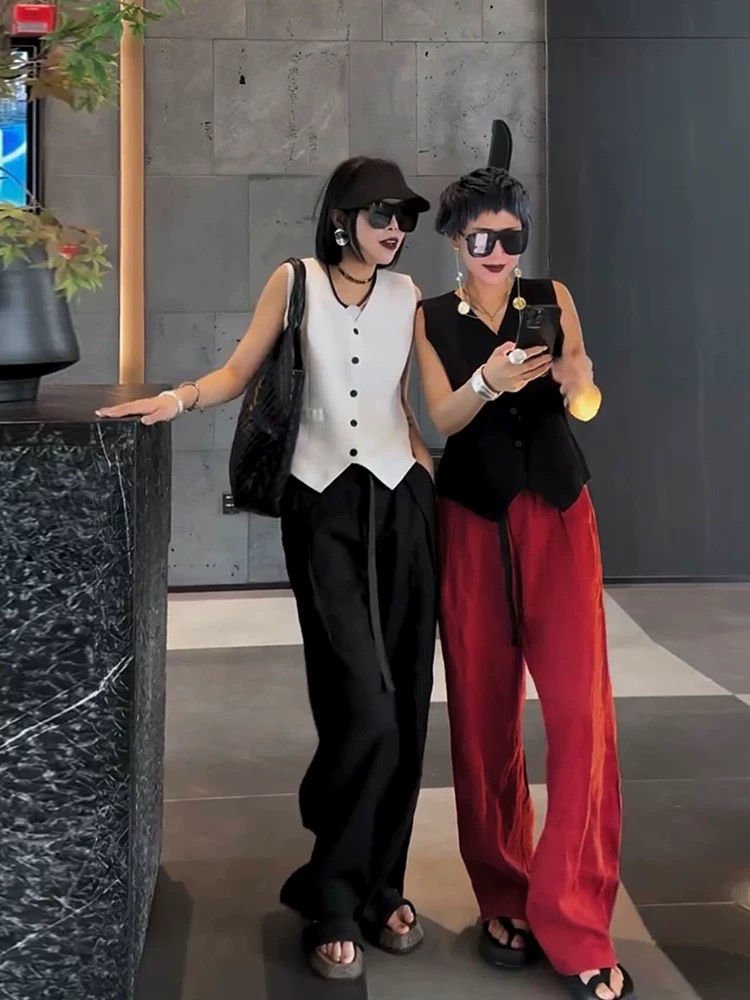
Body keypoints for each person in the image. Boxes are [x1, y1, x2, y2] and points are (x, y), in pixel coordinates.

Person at [97, 157, 438, 982]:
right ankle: (331, 892)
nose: (395, 230)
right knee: (362, 705)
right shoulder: (294, 281)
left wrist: (432, 481)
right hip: (322, 510)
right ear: (343, 218)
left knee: (406, 708)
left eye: (404, 218)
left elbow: (409, 404)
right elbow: (238, 371)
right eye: (381, 214)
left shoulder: (408, 296)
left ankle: (378, 886)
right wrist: (176, 399)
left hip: (403, 504)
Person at [413, 166, 633, 1000]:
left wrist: (580, 387)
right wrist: (488, 381)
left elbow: (584, 394)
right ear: (454, 241)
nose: (499, 251)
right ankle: (503, 893)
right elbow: (440, 417)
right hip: (472, 521)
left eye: (513, 236)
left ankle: (575, 920)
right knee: (482, 716)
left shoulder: (552, 296)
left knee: (582, 717)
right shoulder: (431, 318)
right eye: (482, 237)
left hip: (560, 515)